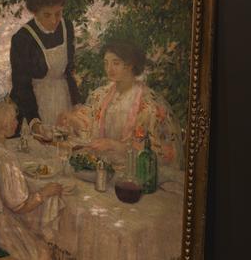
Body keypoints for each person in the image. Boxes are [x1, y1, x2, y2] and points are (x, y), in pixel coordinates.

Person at [63, 40, 182, 168]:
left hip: (134, 171)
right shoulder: (100, 95)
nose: (109, 69)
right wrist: (72, 120)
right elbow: (87, 128)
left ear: (130, 65)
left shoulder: (149, 104)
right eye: (106, 63)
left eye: (116, 63)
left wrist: (115, 145)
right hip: (101, 167)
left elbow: (159, 153)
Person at [0, 99, 63, 260]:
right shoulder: (6, 159)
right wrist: (45, 192)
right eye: (13, 119)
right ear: (2, 126)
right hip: (1, 231)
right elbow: (20, 206)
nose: (17, 123)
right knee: (45, 250)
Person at [9, 0, 80, 139]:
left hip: (63, 98)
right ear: (35, 13)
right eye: (47, 15)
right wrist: (35, 122)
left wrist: (76, 104)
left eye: (58, 13)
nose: (54, 20)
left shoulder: (67, 27)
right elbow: (22, 85)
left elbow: (69, 72)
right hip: (36, 103)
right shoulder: (22, 38)